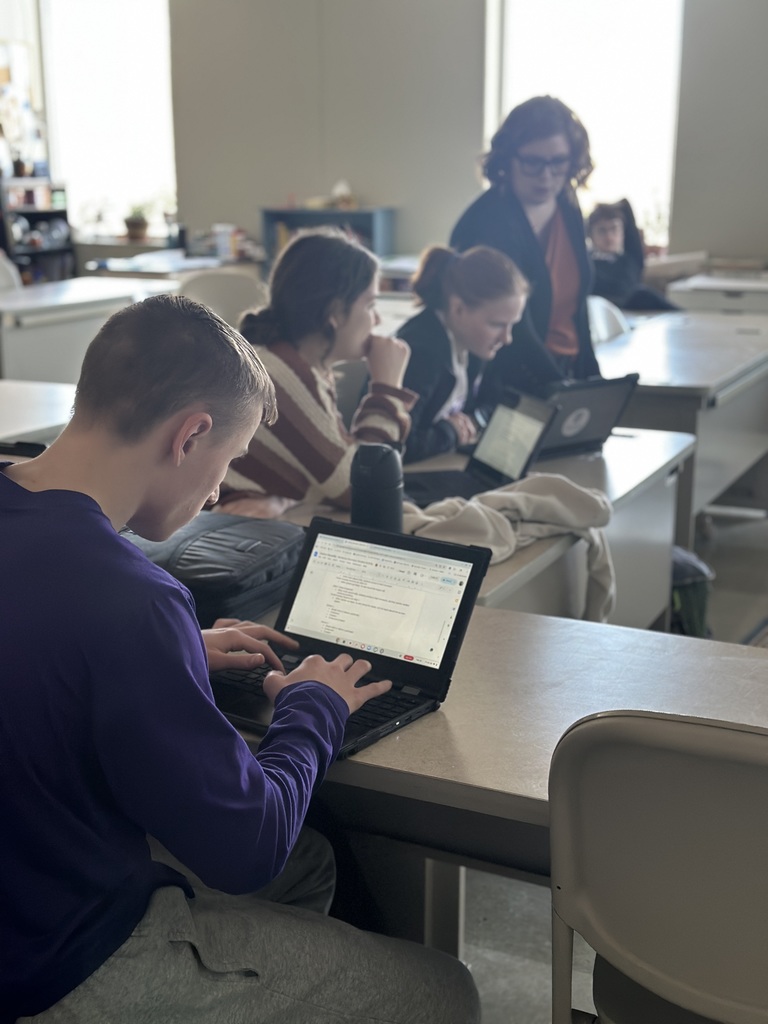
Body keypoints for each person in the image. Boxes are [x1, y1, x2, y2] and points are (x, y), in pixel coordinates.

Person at [0, 294, 480, 1023]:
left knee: (313, 862)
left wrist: (176, 651)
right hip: (58, 962)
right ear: (190, 436)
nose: (220, 488)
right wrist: (313, 705)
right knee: (445, 991)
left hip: (21, 885)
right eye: (227, 460)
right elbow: (248, 849)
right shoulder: (132, 599)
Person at [218, 228, 416, 515]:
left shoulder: (295, 363)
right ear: (334, 313)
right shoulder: (282, 376)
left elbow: (341, 469)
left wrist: (289, 498)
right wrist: (387, 388)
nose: (377, 319)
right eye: (370, 304)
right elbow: (365, 490)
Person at [450, 94, 601, 406]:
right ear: (508, 159)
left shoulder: (567, 207)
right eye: (533, 162)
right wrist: (563, 392)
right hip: (508, 382)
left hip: (564, 371)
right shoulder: (487, 223)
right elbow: (514, 332)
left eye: (558, 162)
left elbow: (578, 307)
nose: (546, 176)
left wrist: (592, 382)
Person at [398, 244, 529, 463]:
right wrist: (449, 432)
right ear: (458, 308)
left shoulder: (473, 342)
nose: (507, 338)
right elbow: (397, 446)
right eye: (497, 325)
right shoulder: (421, 354)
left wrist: (473, 420)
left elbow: (493, 401)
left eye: (512, 325)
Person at [587, 198, 679, 311]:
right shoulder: (586, 264)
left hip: (636, 313)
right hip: (601, 314)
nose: (609, 237)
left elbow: (625, 205)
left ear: (622, 232)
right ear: (591, 235)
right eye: (602, 231)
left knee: (641, 294)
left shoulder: (631, 260)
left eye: (614, 229)